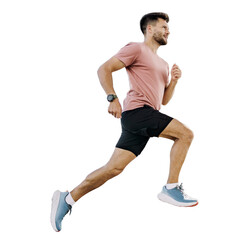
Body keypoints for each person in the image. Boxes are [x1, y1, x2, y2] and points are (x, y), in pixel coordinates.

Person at [50, 12, 198, 232]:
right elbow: (104, 69)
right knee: (185, 134)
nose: (168, 31)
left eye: (168, 28)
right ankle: (171, 187)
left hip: (144, 117)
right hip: (138, 113)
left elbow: (163, 101)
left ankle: (68, 199)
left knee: (113, 168)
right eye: (164, 27)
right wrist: (112, 97)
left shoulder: (164, 64)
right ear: (149, 29)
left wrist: (174, 81)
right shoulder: (136, 49)